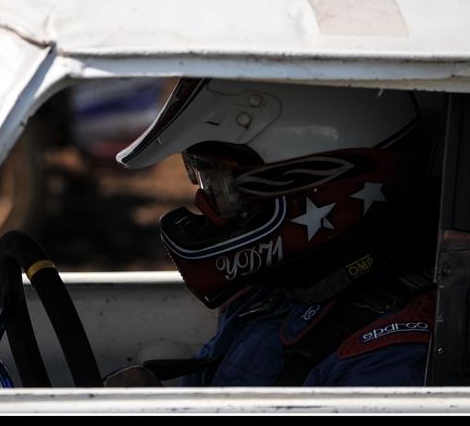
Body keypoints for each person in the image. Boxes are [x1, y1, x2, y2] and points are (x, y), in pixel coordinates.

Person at [108, 78, 440, 387]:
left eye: (222, 187)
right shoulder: (271, 294)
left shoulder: (387, 356)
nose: (206, 205)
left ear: (309, 185)